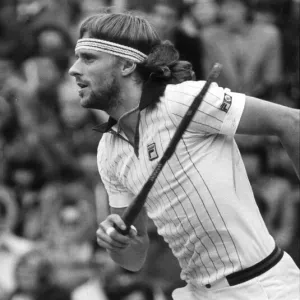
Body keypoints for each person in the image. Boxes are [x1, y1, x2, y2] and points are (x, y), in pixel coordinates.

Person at [68, 11, 300, 300]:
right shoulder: (107, 151)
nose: (74, 69)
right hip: (195, 292)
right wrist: (117, 243)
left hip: (263, 287)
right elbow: (134, 258)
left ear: (127, 64)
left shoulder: (182, 100)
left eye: (89, 58)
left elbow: (291, 122)